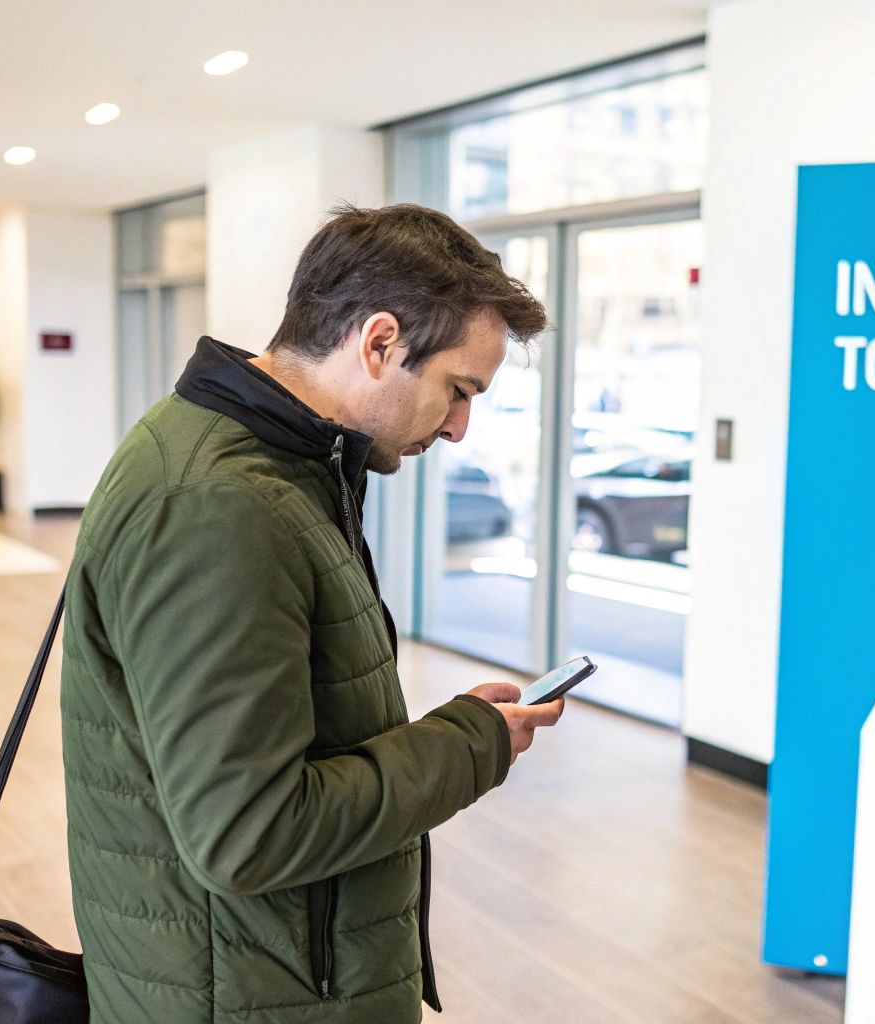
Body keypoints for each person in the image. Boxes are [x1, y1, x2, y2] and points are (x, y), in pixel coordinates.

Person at [62, 203, 560, 1023]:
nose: (463, 427)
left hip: (256, 973)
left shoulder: (260, 460)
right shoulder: (219, 506)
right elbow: (247, 833)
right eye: (458, 389)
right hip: (245, 993)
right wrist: (468, 747)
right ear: (379, 342)